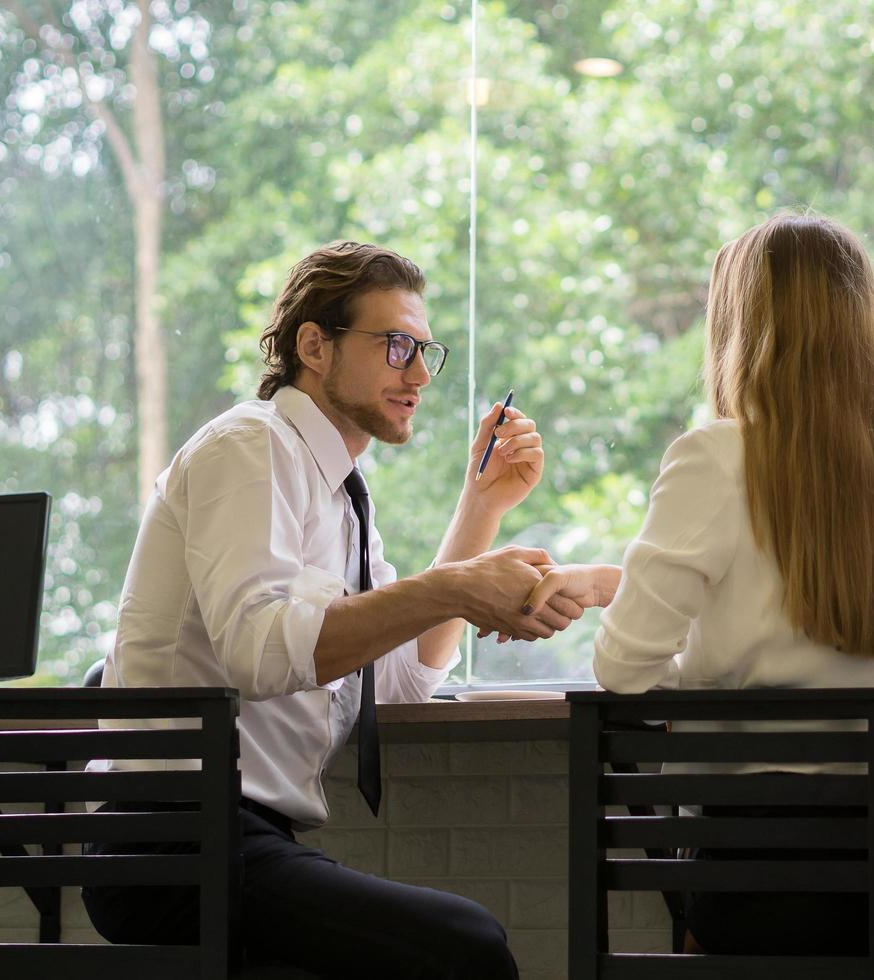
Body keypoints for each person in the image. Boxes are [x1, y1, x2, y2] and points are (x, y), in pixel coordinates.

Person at [83, 241, 587, 978]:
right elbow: (259, 653)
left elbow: (403, 684)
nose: (418, 374)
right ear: (313, 346)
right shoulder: (248, 448)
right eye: (394, 346)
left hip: (241, 839)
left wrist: (480, 508)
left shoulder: (343, 497)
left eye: (424, 351)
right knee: (466, 947)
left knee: (461, 941)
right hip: (172, 845)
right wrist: (454, 587)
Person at [522, 212, 874, 961]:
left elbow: (623, 673)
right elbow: (796, 605)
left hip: (780, 869)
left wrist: (693, 667)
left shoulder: (718, 457)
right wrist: (616, 585)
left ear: (743, 329)